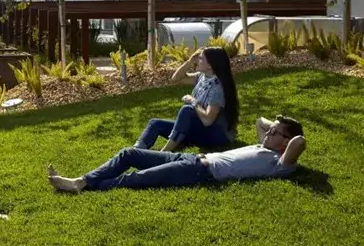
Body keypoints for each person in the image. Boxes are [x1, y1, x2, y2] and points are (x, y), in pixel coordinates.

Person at [47, 115, 307, 192]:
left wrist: (288, 130)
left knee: (137, 178)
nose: (269, 132)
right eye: (271, 130)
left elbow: (299, 141)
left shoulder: (279, 162)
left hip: (198, 171)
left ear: (285, 143)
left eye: (275, 132)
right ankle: (82, 180)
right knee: (129, 153)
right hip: (188, 159)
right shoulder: (264, 146)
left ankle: (83, 186)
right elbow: (261, 123)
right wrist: (278, 124)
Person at [134, 46, 239, 151]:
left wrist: (193, 101)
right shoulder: (202, 77)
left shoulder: (217, 88)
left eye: (201, 58)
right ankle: (136, 151)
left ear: (210, 65)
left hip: (217, 135)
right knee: (155, 123)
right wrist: (189, 61)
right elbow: (176, 78)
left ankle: (164, 152)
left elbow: (208, 121)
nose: (197, 61)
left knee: (187, 110)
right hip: (199, 130)